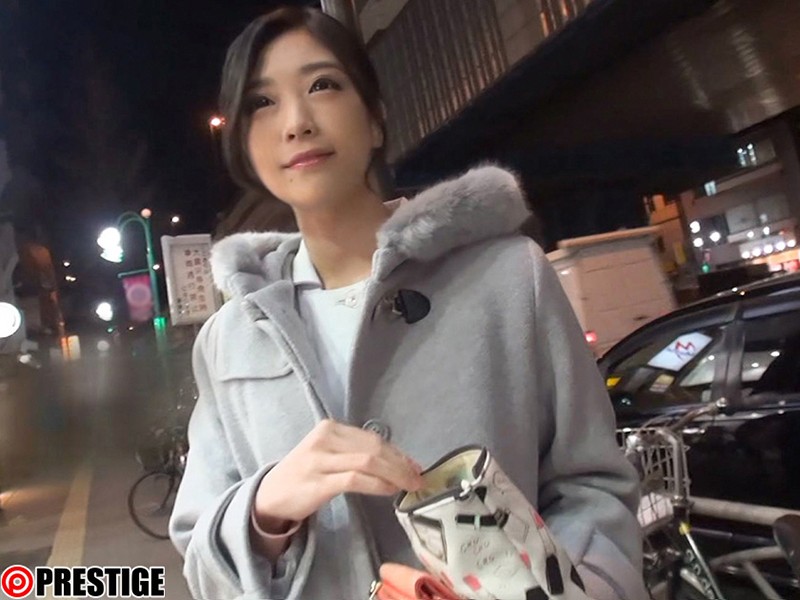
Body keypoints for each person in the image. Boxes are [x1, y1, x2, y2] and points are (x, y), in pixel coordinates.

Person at [169, 6, 647, 600]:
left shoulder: (506, 277)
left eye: (322, 85)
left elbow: (592, 489)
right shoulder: (229, 339)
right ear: (243, 143)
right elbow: (200, 553)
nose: (295, 123)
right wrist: (266, 506)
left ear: (375, 118)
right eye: (261, 102)